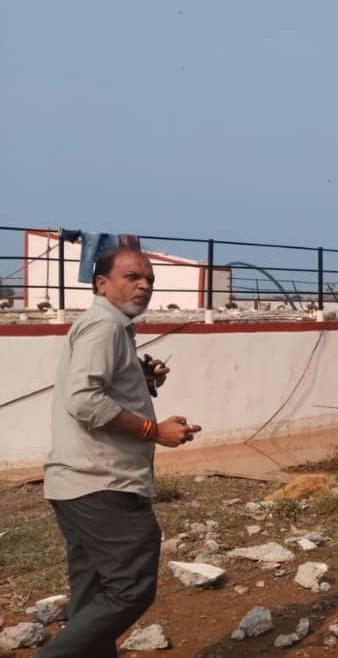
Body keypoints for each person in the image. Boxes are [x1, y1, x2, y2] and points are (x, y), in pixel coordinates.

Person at [39, 247, 201, 658]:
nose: (144, 285)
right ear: (102, 283)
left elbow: (102, 390)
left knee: (92, 596)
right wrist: (154, 431)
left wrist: (144, 379)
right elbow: (84, 401)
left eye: (149, 279)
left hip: (76, 485)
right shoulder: (103, 327)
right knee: (130, 589)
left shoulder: (113, 328)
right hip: (103, 485)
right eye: (132, 277)